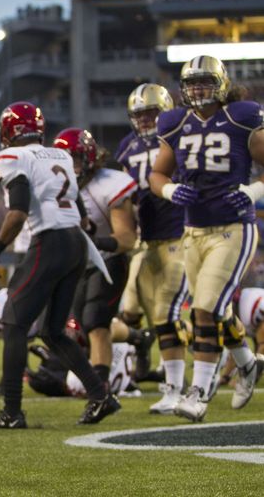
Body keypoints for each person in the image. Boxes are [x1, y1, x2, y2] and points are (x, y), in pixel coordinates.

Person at [0, 101, 119, 429]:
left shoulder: (12, 158)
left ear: (8, 131)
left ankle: (12, 412)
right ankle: (101, 395)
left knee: (13, 323)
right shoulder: (59, 154)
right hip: (76, 242)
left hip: (51, 240)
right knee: (52, 331)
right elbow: (82, 211)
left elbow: (17, 212)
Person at [150, 54, 264, 421]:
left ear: (221, 85)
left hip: (233, 227)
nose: (199, 89)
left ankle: (199, 392)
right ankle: (247, 363)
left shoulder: (241, 116)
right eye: (192, 83)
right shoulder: (174, 122)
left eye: (205, 82)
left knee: (205, 309)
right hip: (193, 230)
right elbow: (157, 175)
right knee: (218, 310)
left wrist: (253, 192)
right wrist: (169, 192)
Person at [115, 84, 191, 414]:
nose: (145, 121)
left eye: (151, 114)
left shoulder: (180, 135)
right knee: (130, 310)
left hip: (179, 234)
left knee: (164, 312)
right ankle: (133, 370)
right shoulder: (127, 147)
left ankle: (176, 386)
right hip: (148, 241)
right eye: (139, 115)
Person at [53, 128, 141, 394]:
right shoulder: (54, 184)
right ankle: (132, 345)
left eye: (77, 158)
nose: (72, 166)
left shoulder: (109, 183)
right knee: (78, 324)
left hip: (109, 258)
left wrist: (94, 241)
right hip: (78, 262)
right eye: (66, 159)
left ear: (90, 157)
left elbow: (127, 238)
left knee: (95, 320)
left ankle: (100, 388)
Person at [0, 290, 147, 398]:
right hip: (55, 311)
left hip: (56, 315)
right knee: (86, 336)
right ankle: (133, 345)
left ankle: (134, 342)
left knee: (88, 333)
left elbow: (16, 344)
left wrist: (8, 383)